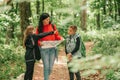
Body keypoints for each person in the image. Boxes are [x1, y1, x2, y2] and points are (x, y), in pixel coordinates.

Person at [35, 13, 63, 80]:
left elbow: (56, 36)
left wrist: (60, 38)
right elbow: (35, 39)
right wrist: (39, 43)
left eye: (48, 19)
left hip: (52, 49)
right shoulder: (39, 29)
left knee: (50, 67)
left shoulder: (53, 26)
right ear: (42, 20)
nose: (48, 20)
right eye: (46, 19)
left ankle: (46, 77)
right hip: (44, 50)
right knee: (46, 66)